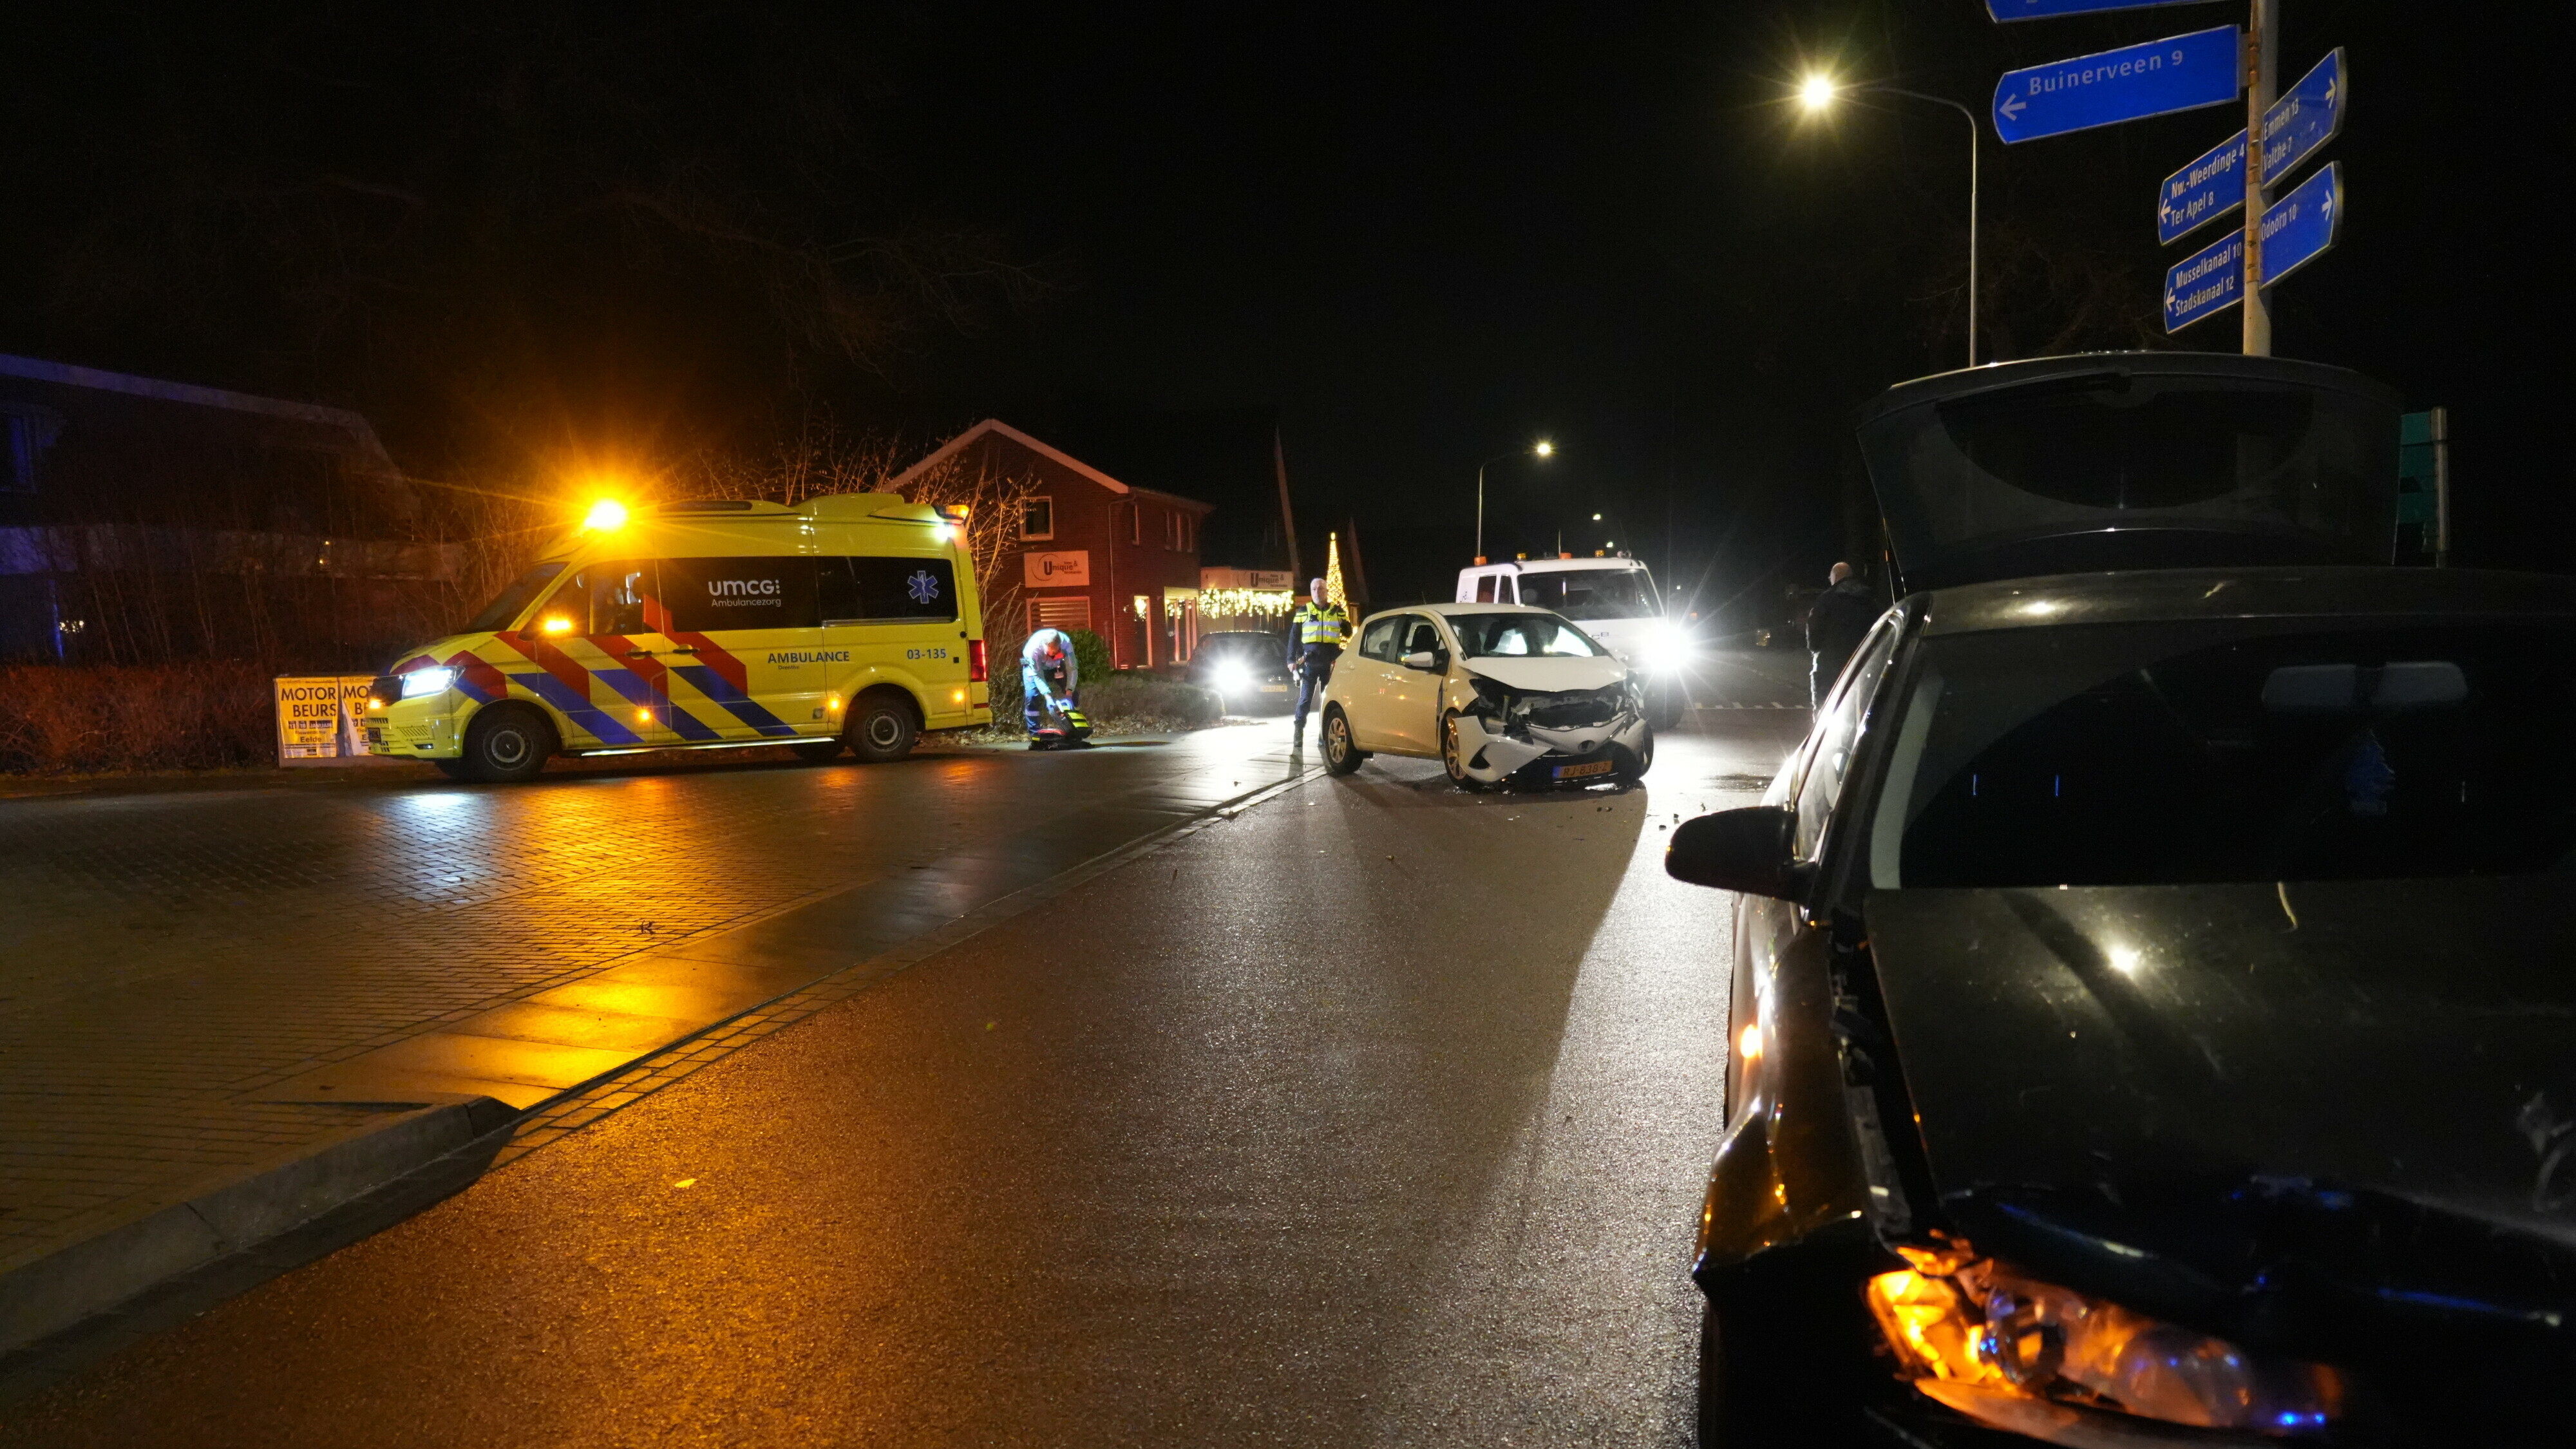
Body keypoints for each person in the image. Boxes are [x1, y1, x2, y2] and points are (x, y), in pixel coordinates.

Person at [1805, 561, 1878, 709]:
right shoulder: (1869, 599)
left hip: (1830, 671)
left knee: (1825, 711)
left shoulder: (1825, 600)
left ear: (1835, 577)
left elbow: (1813, 640)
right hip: (1863, 668)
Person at [1287, 578, 1350, 739]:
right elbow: (1294, 638)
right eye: (1314, 589)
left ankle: (1325, 736)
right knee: (1305, 699)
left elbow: (1348, 633)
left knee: (1329, 702)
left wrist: (1344, 622)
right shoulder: (1303, 611)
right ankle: (1298, 732)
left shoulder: (1337, 611)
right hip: (1310, 662)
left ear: (1326, 591)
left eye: (1321, 589)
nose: (1317, 592)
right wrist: (1290, 661)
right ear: (1311, 591)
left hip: (1331, 663)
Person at [1023, 627, 1080, 744]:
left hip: (1056, 667)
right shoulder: (1032, 650)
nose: (1052, 654)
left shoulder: (1066, 644)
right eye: (1050, 652)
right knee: (1031, 695)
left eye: (1055, 652)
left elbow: (1072, 669)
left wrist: (1069, 692)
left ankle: (1075, 730)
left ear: (1060, 646)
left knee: (1074, 695)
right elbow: (1038, 675)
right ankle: (1035, 734)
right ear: (1044, 646)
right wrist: (1048, 697)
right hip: (1034, 668)